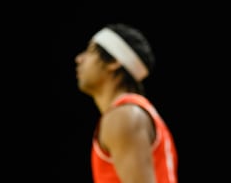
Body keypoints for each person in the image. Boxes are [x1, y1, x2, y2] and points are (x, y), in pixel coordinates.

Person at [75, 23, 178, 183]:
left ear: (113, 62)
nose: (79, 59)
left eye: (90, 51)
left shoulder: (124, 116)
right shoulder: (133, 112)